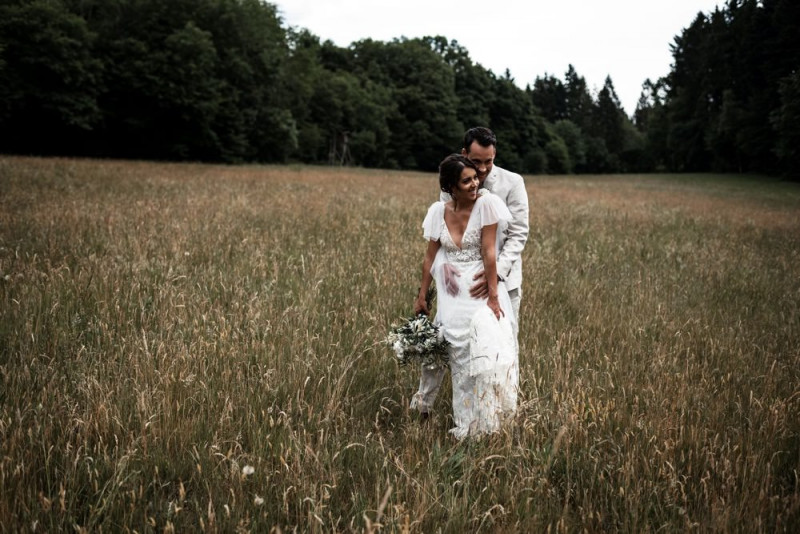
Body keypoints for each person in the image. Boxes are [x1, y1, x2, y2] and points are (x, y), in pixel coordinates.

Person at [411, 127, 529, 417]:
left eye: (489, 161)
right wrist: (444, 270)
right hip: (456, 288)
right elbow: (444, 239)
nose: (484, 170)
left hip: (499, 281)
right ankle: (425, 404)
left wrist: (494, 279)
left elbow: (517, 235)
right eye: (477, 162)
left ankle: (499, 412)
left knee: (499, 350)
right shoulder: (453, 181)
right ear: (465, 154)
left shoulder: (512, 183)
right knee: (443, 342)